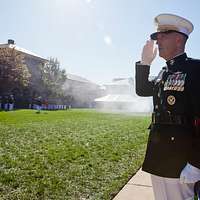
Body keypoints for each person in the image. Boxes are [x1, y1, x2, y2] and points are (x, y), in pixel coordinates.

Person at [135, 13, 200, 199]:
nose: (157, 40)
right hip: (160, 154)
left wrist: (196, 163)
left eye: (164, 34)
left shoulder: (195, 70)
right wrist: (145, 63)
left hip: (182, 158)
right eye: (156, 36)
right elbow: (143, 90)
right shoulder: (164, 72)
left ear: (179, 39)